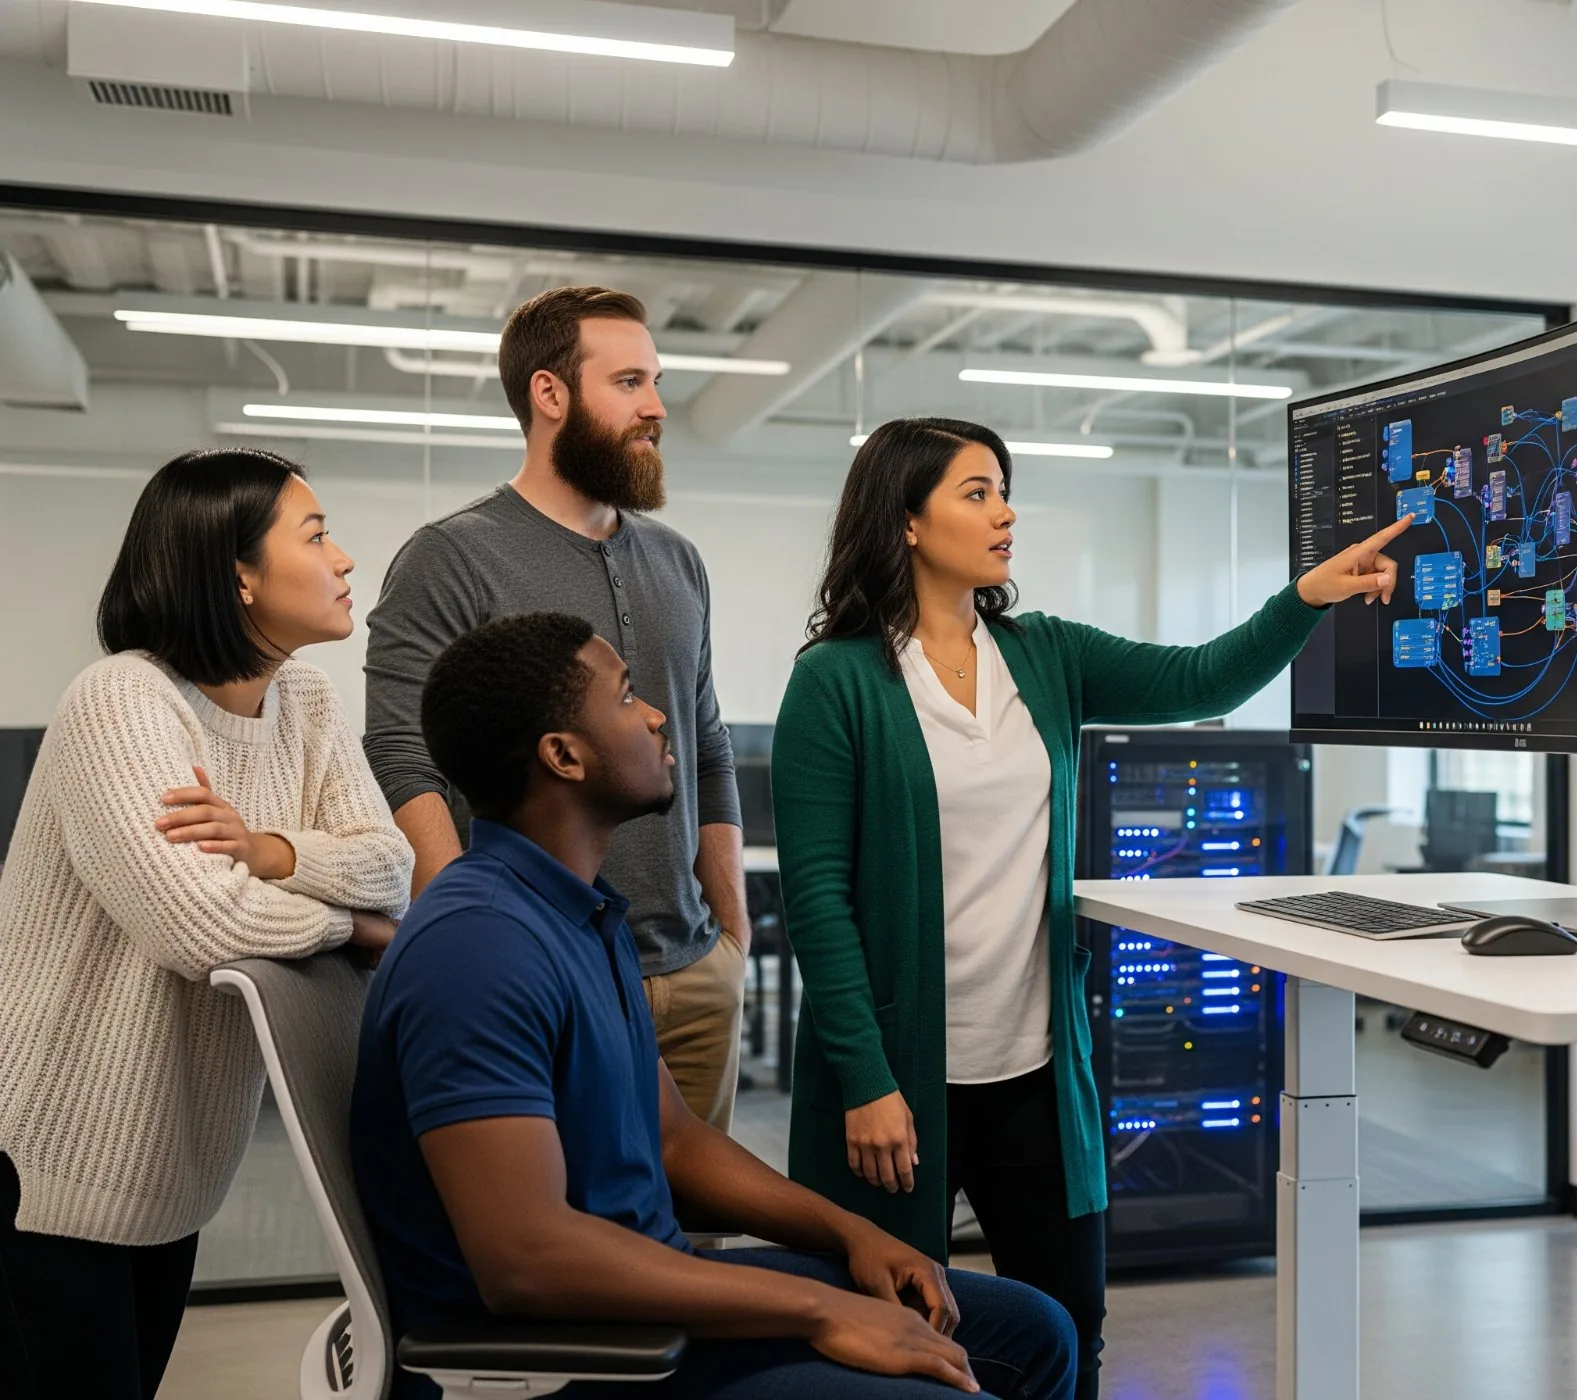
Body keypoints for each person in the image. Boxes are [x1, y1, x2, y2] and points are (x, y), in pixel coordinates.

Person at [771, 418, 1412, 1397]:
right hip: (895, 1084)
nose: (1005, 511)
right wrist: (863, 1074)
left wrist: (1304, 599)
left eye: (1004, 489)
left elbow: (1203, 674)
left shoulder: (1045, 655)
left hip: (1032, 1064)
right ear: (904, 520)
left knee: (1069, 1335)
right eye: (976, 492)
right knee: (894, 1347)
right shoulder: (835, 678)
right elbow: (816, 893)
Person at [351, 612, 1076, 1400]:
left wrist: (852, 1233)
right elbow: (528, 1260)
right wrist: (819, 1310)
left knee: (1034, 1330)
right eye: (626, 697)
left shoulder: (576, 913)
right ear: (564, 756)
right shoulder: (480, 947)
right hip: (568, 1360)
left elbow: (673, 1141)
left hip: (649, 1307)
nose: (657, 715)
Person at [0, 449, 411, 1400]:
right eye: (314, 536)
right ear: (238, 575)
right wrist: (349, 929)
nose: (345, 558)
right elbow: (200, 923)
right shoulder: (122, 701)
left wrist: (271, 850)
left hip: (172, 1174)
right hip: (48, 1170)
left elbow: (389, 866)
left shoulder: (302, 702)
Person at [364, 285, 748, 1133]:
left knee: (699, 1241)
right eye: (629, 383)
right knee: (581, 1240)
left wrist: (732, 933)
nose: (655, 407)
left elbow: (708, 747)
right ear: (551, 394)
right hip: (544, 972)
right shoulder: (450, 558)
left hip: (694, 971)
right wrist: (469, 942)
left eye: (655, 382)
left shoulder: (678, 563)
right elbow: (400, 752)